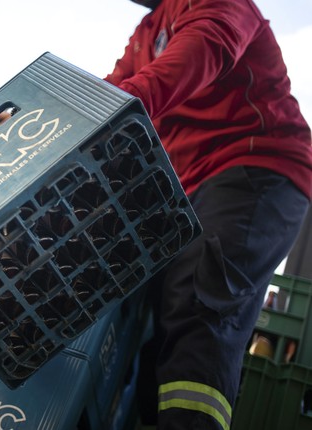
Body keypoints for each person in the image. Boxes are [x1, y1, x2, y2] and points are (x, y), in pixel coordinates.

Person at [103, 0, 312, 429]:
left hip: (256, 167)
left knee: (200, 303)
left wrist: (107, 108)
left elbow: (199, 52)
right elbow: (110, 89)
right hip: (187, 184)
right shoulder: (148, 30)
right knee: (158, 321)